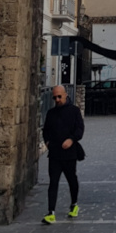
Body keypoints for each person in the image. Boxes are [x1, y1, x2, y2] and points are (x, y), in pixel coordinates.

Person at [41, 85, 84, 224]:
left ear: (65, 95)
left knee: (72, 179)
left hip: (69, 153)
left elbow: (80, 129)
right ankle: (51, 212)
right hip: (54, 153)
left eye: (59, 96)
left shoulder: (74, 111)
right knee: (53, 182)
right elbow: (45, 130)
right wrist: (47, 142)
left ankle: (74, 204)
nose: (57, 99)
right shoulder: (51, 113)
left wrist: (71, 140)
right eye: (55, 97)